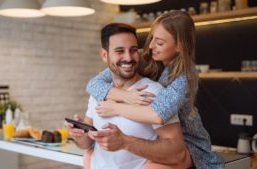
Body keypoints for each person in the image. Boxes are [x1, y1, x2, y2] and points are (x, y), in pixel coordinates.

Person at [86, 11, 224, 169]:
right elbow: (93, 84)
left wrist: (115, 107)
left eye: (159, 42)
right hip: (158, 141)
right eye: (151, 38)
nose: (150, 46)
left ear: (179, 46)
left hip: (188, 145)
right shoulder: (144, 58)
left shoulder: (186, 76)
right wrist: (126, 96)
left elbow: (157, 114)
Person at [65, 22, 192, 169]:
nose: (128, 58)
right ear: (104, 55)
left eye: (133, 50)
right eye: (120, 51)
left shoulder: (152, 92)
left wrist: (125, 142)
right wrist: (78, 135)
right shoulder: (98, 93)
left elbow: (177, 153)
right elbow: (86, 144)